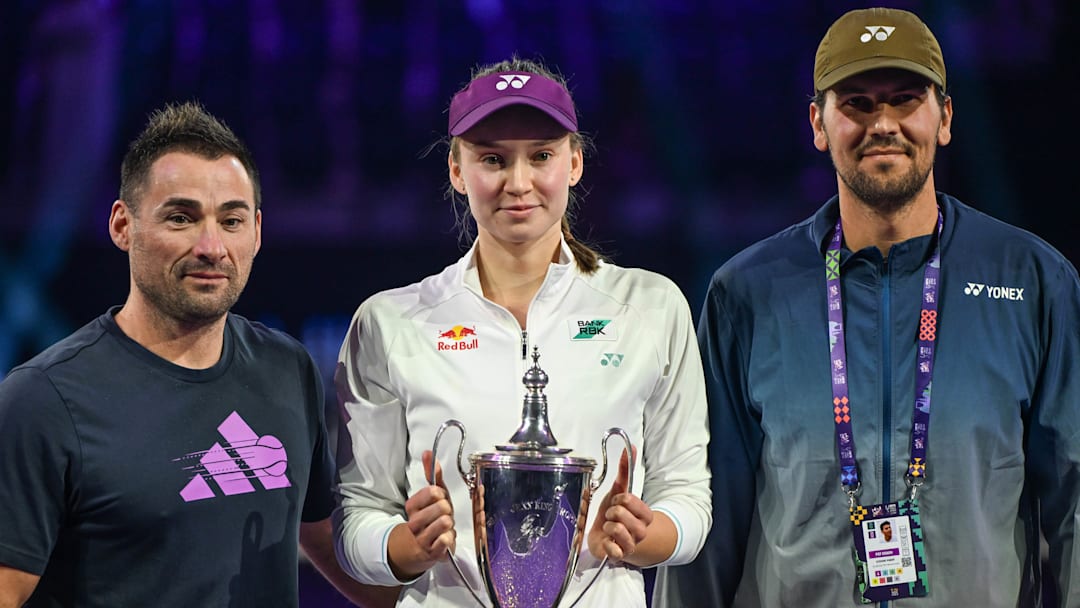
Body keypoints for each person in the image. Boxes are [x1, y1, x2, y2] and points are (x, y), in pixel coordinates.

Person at [654, 7, 1079, 608]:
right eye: (856, 103)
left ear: (945, 116)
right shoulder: (746, 294)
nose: (883, 123)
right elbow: (708, 512)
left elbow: (1074, 503)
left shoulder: (1033, 281)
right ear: (818, 123)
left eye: (905, 99)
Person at [333, 57, 712, 606]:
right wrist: (402, 547)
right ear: (457, 171)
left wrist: (650, 535)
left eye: (541, 156)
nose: (518, 182)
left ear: (575, 163)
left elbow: (689, 499)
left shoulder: (651, 308)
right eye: (492, 158)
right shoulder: (391, 322)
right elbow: (355, 518)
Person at [0, 102, 399, 608]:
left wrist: (448, 575)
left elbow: (325, 539)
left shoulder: (287, 368)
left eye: (231, 220)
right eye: (182, 218)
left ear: (256, 231)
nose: (212, 246)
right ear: (123, 225)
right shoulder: (42, 400)